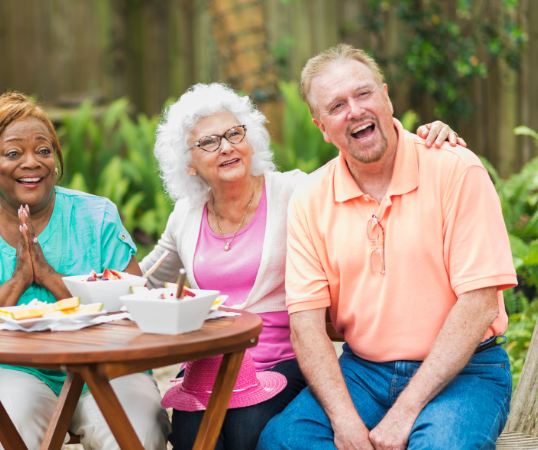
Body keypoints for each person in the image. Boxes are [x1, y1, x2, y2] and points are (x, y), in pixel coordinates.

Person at [140, 82, 463, 450]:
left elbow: (365, 190)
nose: (227, 147)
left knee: (249, 429)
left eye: (233, 134)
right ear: (188, 163)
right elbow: (143, 281)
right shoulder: (185, 216)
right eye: (209, 142)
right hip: (208, 369)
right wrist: (89, 288)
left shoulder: (294, 191)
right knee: (191, 436)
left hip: (276, 361)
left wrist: (424, 146)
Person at [258, 44, 516, 450]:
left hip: (467, 371)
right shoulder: (310, 197)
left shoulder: (456, 169)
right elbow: (306, 325)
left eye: (363, 94)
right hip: (363, 373)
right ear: (321, 127)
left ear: (386, 96)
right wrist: (345, 421)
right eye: (337, 105)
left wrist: (403, 414)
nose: (355, 110)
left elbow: (479, 302)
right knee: (284, 440)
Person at [0, 92, 170, 450]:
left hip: (105, 367)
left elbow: (135, 314)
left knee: (138, 428)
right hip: (6, 369)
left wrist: (50, 277)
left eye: (44, 150)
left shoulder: (97, 217)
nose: (32, 162)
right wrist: (18, 281)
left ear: (56, 161)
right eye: (13, 152)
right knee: (13, 422)